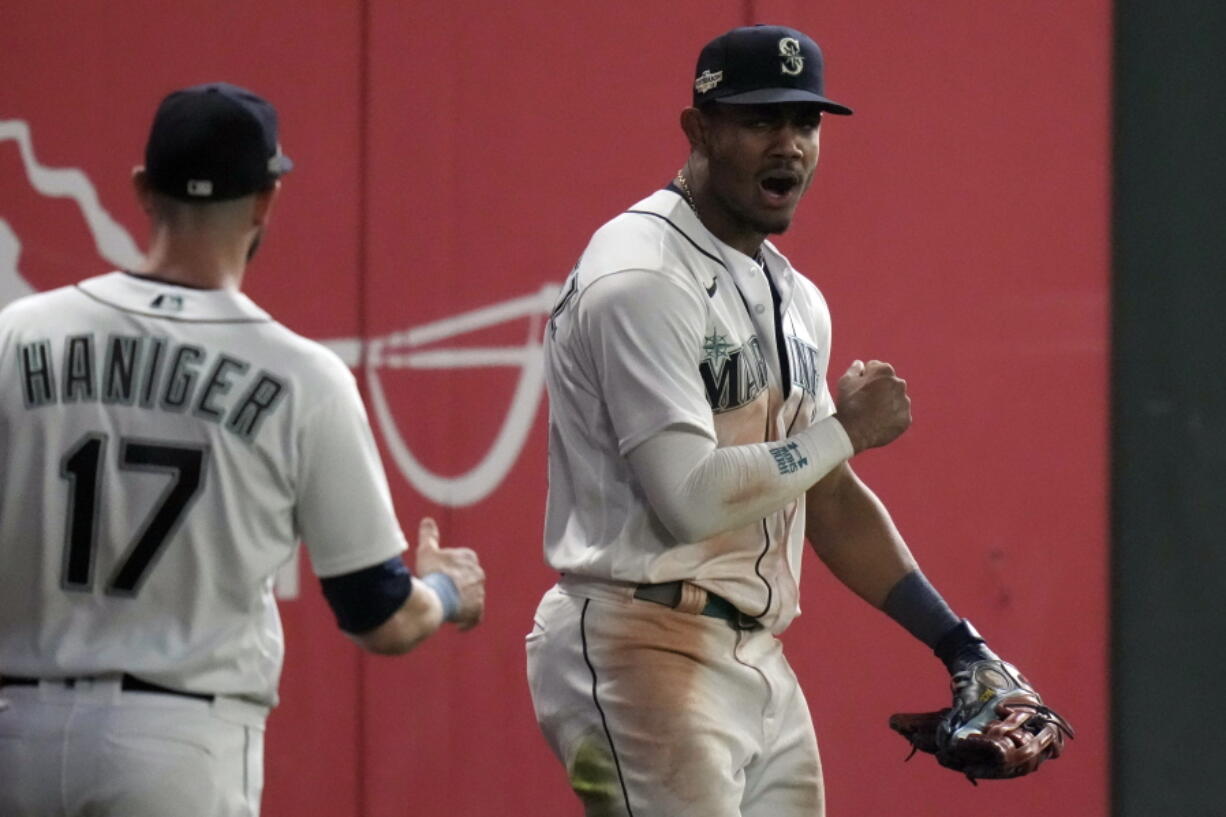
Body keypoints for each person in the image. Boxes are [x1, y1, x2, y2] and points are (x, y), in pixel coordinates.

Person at [526, 25, 1060, 816]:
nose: (789, 145)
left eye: (805, 123)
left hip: (754, 654)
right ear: (698, 128)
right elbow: (691, 499)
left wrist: (959, 645)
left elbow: (826, 495)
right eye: (759, 120)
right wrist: (845, 428)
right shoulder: (641, 274)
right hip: (639, 641)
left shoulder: (793, 295)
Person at [0, 82, 485, 817]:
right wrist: (447, 592)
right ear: (265, 200)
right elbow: (379, 615)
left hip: (18, 734)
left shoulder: (19, 334)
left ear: (140, 189)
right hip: (181, 741)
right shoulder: (300, 375)